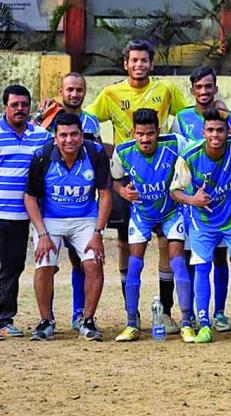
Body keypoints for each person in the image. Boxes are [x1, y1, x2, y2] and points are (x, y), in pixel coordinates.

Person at [85, 39, 190, 330]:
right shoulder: (110, 93)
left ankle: (167, 311)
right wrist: (107, 149)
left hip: (162, 176)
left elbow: (189, 117)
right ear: (125, 64)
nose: (139, 65)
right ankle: (132, 315)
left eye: (144, 60)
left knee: (167, 241)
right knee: (124, 244)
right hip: (127, 176)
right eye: (134, 60)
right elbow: (87, 122)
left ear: (151, 63)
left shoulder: (165, 89)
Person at [0, 84, 52, 340]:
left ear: (30, 106)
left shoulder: (40, 136)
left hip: (21, 217)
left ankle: (5, 320)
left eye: (24, 105)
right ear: (5, 106)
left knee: (12, 269)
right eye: (14, 105)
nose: (20, 109)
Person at [24, 112, 111, 341]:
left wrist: (98, 233)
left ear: (82, 135)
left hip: (85, 218)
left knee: (93, 262)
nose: (69, 140)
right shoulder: (42, 156)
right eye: (63, 135)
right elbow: (30, 198)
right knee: (44, 263)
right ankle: (45, 321)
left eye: (74, 134)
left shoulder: (95, 153)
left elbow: (105, 194)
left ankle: (88, 320)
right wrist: (42, 234)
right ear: (55, 137)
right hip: (50, 219)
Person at [111, 108, 191, 342]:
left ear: (158, 131)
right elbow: (115, 181)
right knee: (135, 265)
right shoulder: (122, 151)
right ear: (132, 132)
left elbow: (200, 150)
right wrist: (122, 191)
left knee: (178, 263)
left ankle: (186, 322)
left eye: (150, 133)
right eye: (140, 134)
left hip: (171, 213)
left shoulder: (175, 143)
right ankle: (131, 323)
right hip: (142, 216)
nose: (145, 139)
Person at [170, 66, 231, 333]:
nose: (204, 91)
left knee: (220, 258)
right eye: (199, 87)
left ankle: (219, 313)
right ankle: (194, 312)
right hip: (190, 199)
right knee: (193, 259)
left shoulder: (225, 115)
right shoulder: (181, 118)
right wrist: (186, 196)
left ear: (215, 88)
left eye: (209, 86)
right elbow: (176, 152)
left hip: (221, 201)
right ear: (192, 90)